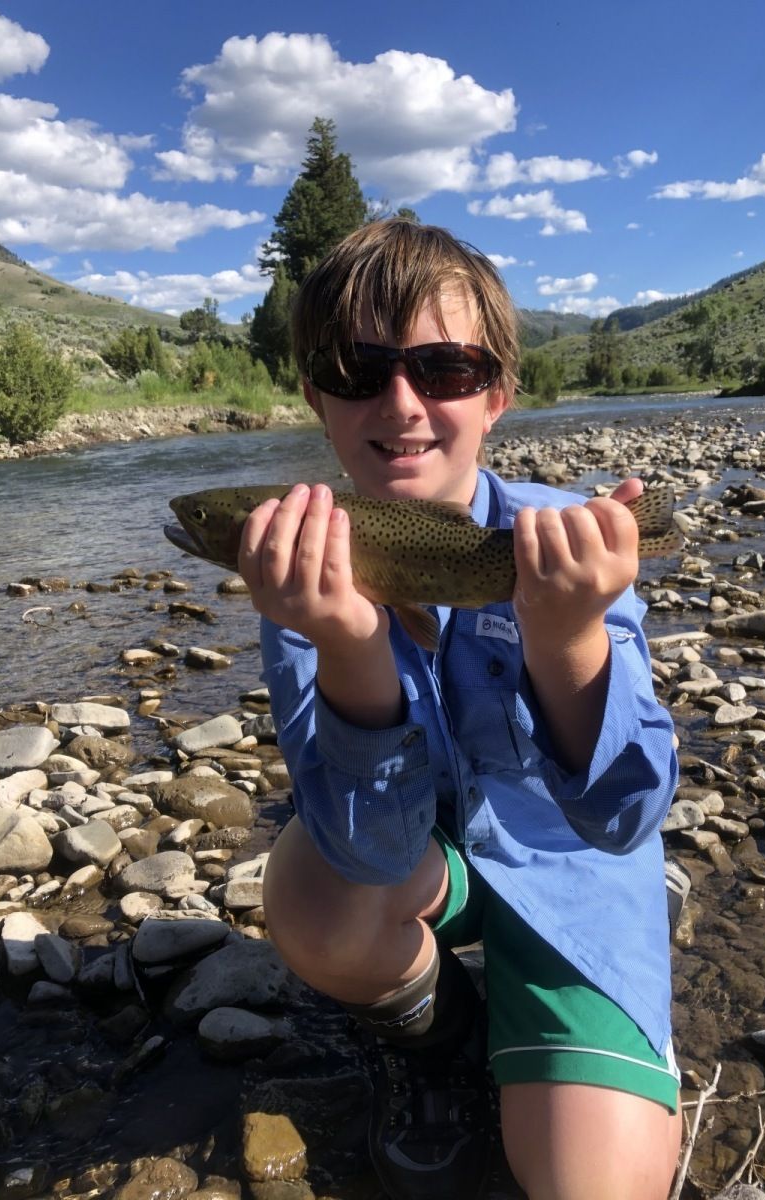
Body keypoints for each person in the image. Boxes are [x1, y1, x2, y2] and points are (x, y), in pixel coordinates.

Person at [242, 218, 683, 1200]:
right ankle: (435, 1039)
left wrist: (567, 637)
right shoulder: (305, 566)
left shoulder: (565, 540)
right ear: (315, 394)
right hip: (416, 871)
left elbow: (624, 816)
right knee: (310, 894)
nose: (400, 403)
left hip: (574, 878)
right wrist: (353, 642)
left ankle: (556, 1003)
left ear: (496, 396)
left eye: (442, 368)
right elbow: (370, 851)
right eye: (357, 367)